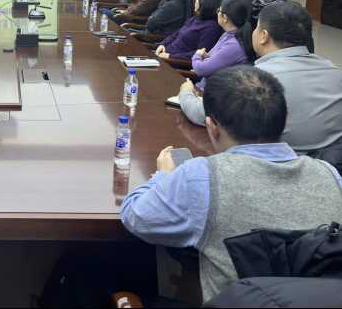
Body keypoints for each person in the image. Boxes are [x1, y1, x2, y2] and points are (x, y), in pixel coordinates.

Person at [121, 66, 342, 303]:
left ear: (211, 127)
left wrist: (164, 176)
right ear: (284, 121)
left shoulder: (204, 176)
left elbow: (136, 215)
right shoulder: (330, 175)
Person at [252, 0, 342, 156]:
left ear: (264, 36)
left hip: (275, 163)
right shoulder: (335, 72)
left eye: (256, 27)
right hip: (331, 164)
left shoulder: (255, 80)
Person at [178, 0, 254, 125]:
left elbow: (201, 69)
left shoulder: (234, 44)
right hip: (202, 91)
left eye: (219, 10)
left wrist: (197, 55)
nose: (216, 13)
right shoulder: (227, 34)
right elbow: (209, 58)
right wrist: (204, 58)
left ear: (225, 18)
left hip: (210, 99)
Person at [155, 0, 223, 61]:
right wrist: (163, 44)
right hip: (164, 54)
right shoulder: (196, 18)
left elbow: (200, 54)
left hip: (175, 62)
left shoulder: (211, 28)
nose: (195, 1)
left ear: (205, 3)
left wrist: (170, 56)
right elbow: (176, 34)